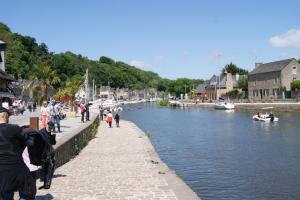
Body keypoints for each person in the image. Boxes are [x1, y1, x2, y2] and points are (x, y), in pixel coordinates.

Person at [0, 107, 37, 200]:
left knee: (5, 194)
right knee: (27, 192)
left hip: (1, 172)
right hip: (17, 168)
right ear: (6, 117)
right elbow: (31, 142)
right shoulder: (15, 128)